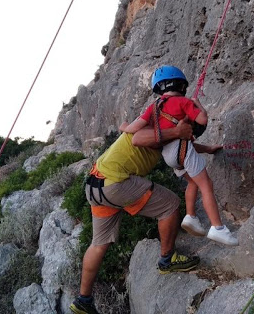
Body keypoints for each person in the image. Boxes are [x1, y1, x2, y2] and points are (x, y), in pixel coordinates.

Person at [70, 119, 199, 314]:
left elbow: (126, 127)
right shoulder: (157, 128)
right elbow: (141, 138)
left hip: (95, 183)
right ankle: (167, 259)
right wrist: (176, 131)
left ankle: (83, 300)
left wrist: (205, 146)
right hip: (115, 182)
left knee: (99, 244)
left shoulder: (149, 125)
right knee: (170, 205)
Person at [122, 65, 238, 246]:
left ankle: (191, 217)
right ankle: (218, 228)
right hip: (182, 149)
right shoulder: (183, 102)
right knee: (205, 184)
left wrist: (123, 127)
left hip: (169, 155)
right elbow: (202, 120)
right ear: (180, 84)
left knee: (192, 182)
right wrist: (197, 105)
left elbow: (132, 129)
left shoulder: (153, 108)